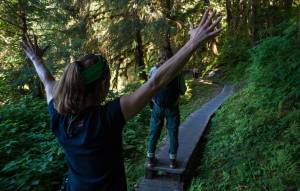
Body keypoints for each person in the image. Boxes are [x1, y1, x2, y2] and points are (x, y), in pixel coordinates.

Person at [20, 9, 222, 191]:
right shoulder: (108, 117)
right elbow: (155, 83)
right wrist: (193, 43)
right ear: (101, 87)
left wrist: (36, 59)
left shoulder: (57, 113)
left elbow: (47, 81)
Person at [147, 49, 186, 169]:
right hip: (172, 107)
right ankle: (172, 161)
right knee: (173, 132)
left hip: (157, 106)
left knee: (154, 131)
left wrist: (151, 103)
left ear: (159, 58)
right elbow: (183, 90)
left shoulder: (153, 71)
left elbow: (148, 88)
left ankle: (150, 159)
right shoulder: (177, 72)